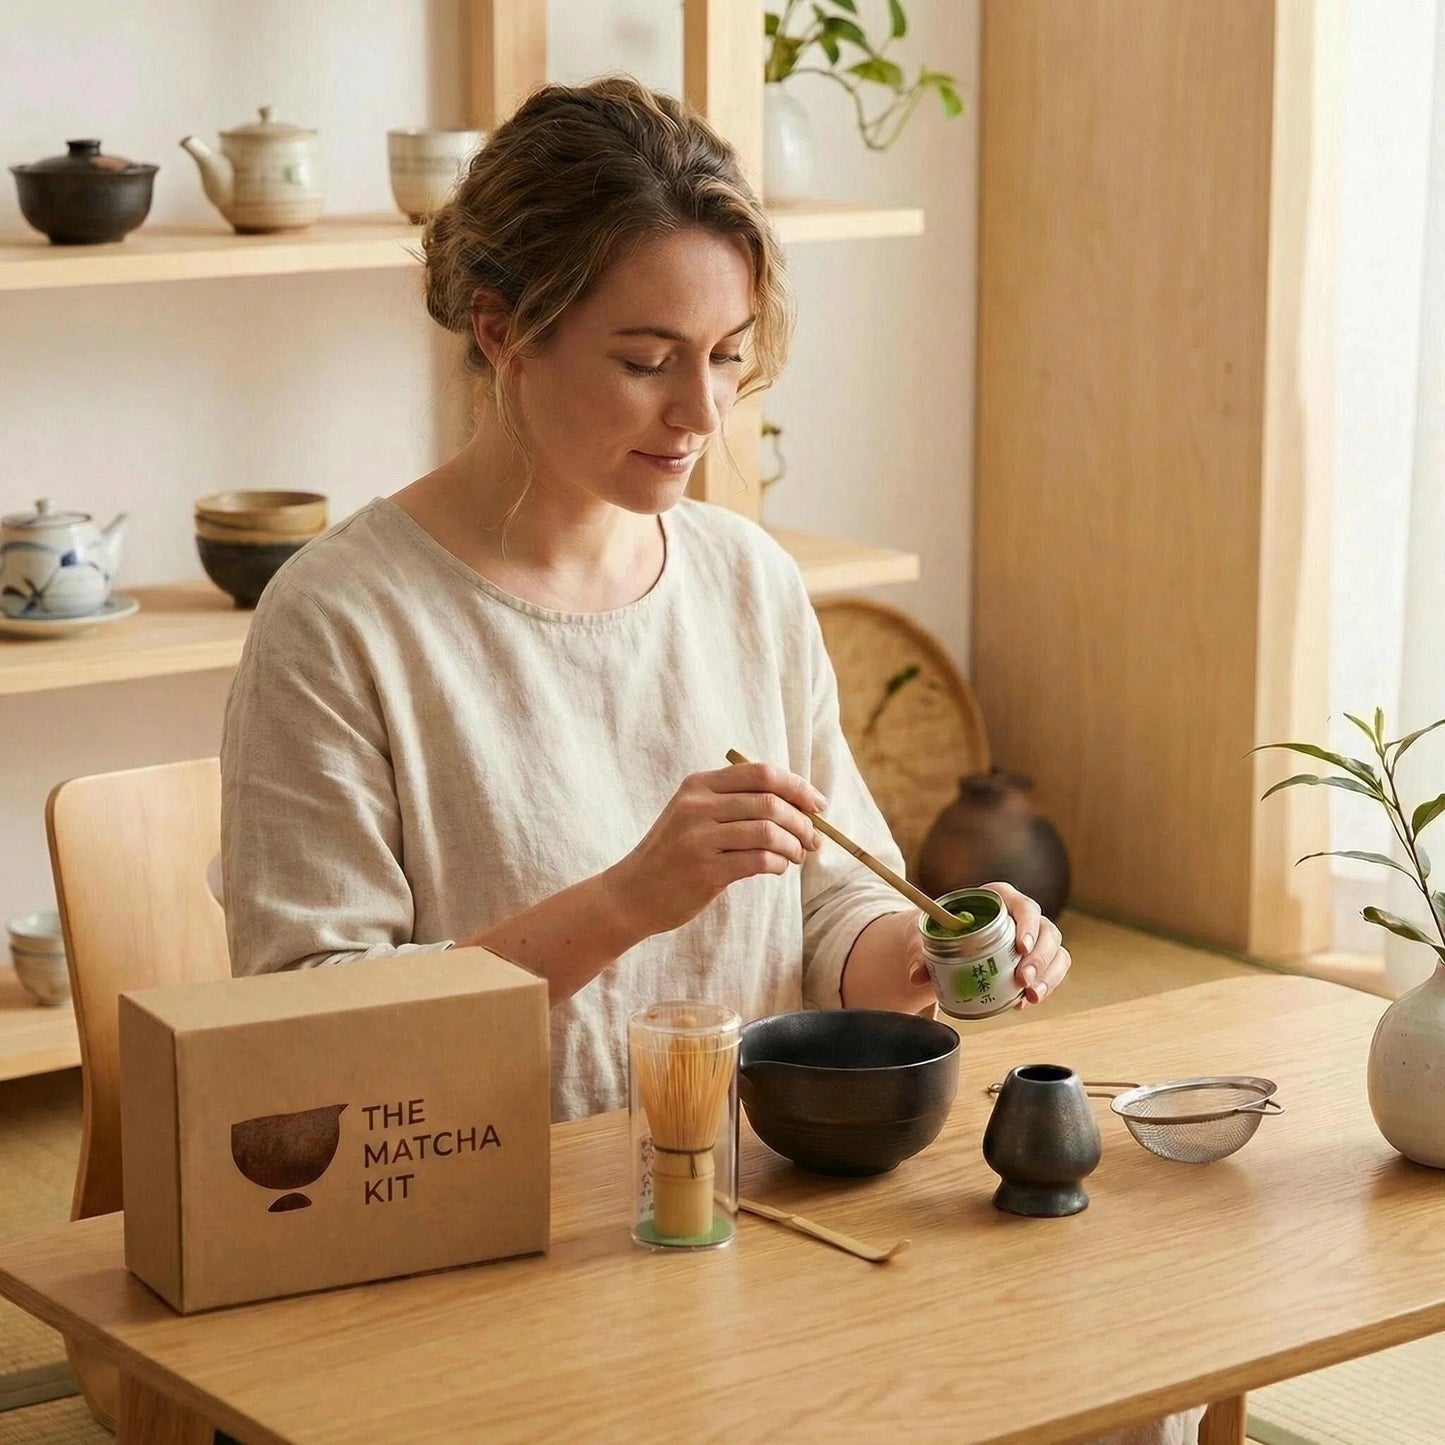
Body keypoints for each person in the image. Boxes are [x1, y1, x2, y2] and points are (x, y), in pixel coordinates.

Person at [219, 76, 1188, 1441]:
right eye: (643, 357)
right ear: (500, 329)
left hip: (733, 1214)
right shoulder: (341, 619)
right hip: (469, 1241)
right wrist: (627, 898)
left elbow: (832, 905)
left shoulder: (743, 577)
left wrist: (925, 953)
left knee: (1109, 1388)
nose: (699, 414)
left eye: (726, 356)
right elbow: (297, 1046)